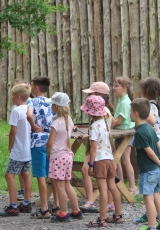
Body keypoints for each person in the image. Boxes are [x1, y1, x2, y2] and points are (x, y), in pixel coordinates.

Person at [136, 77, 160, 223]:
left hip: (155, 144)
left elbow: (152, 120)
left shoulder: (149, 105)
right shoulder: (159, 104)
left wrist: (145, 118)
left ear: (145, 91)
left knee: (157, 179)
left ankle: (155, 212)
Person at [71, 82, 115, 213]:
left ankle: (100, 203)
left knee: (93, 173)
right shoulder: (100, 113)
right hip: (99, 148)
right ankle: (95, 201)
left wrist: (91, 162)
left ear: (97, 95)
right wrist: (87, 136)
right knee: (86, 171)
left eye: (90, 93)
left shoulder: (103, 112)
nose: (88, 95)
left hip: (99, 150)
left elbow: (99, 134)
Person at [81, 95, 124, 227]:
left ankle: (102, 219)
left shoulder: (94, 126)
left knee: (103, 189)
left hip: (99, 161)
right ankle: (118, 215)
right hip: (110, 159)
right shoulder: (105, 122)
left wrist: (91, 164)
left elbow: (93, 147)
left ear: (90, 112)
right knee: (113, 187)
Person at [130, 98, 160, 230]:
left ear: (136, 113)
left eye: (130, 111)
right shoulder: (150, 128)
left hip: (148, 170)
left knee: (148, 198)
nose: (129, 114)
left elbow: (150, 153)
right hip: (156, 170)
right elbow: (159, 146)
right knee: (156, 196)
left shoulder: (140, 132)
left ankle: (151, 226)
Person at [45, 92, 83, 222]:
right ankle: (76, 210)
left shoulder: (56, 123)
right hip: (68, 156)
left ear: (55, 106)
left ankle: (64, 212)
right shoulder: (69, 120)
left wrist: (48, 151)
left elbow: (50, 143)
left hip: (58, 157)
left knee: (60, 185)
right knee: (67, 184)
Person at [0, 84, 33, 217]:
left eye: (12, 95)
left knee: (9, 175)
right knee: (26, 174)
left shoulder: (16, 111)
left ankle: (13, 206)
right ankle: (26, 203)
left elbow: (13, 132)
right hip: (27, 149)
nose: (11, 98)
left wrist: (10, 145)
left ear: (18, 97)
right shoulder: (29, 109)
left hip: (18, 150)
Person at [26, 76, 57, 219]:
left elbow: (29, 115)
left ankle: (44, 208)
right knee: (53, 175)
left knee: (41, 176)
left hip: (37, 141)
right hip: (52, 140)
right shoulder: (52, 102)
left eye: (32, 86)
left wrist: (33, 126)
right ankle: (56, 205)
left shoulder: (31, 101)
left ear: (36, 88)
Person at [111, 76, 138, 195]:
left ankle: (132, 187)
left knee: (125, 160)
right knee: (115, 158)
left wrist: (108, 118)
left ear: (124, 87)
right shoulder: (122, 101)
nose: (113, 88)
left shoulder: (125, 102)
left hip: (126, 133)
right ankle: (120, 184)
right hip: (120, 132)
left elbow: (118, 122)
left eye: (116, 86)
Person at [12, 78, 32, 201]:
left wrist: (11, 143)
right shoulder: (18, 106)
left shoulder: (27, 105)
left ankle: (15, 201)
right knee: (24, 172)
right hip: (22, 140)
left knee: (10, 174)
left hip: (23, 143)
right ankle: (23, 192)